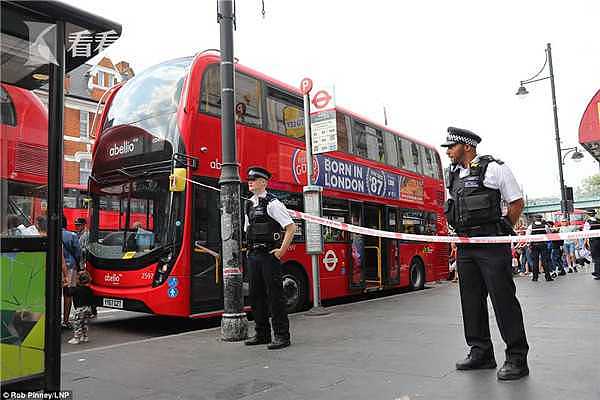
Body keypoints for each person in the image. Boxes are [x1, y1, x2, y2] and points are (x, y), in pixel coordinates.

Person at [442, 127, 529, 381]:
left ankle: (516, 357)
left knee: (503, 300)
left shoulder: (495, 169)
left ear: (467, 147)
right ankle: (481, 352)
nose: (448, 151)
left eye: (451, 146)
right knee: (470, 301)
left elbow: (516, 202)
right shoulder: (453, 174)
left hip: (492, 244)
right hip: (466, 246)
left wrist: (504, 229)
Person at [243, 166, 297, 350]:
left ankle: (282, 336)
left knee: (275, 296)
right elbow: (247, 230)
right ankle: (262, 333)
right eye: (249, 179)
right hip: (253, 255)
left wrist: (281, 251)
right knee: (256, 295)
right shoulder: (249, 204)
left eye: (254, 179)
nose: (250, 181)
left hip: (268, 255)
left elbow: (291, 227)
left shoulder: (273, 204)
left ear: (264, 182)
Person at [62, 215, 81, 329]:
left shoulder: (50, 234)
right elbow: (78, 252)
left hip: (54, 267)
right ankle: (65, 320)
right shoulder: (72, 235)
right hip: (70, 268)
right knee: (68, 294)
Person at [68, 270, 94, 344]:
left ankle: (76, 338)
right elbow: (92, 301)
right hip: (88, 309)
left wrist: (67, 285)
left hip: (79, 309)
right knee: (85, 323)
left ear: (78, 281)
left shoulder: (76, 290)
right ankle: (85, 336)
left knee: (77, 323)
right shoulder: (89, 290)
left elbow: (68, 293)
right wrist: (93, 310)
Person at [526, 215, 553, 282]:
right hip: (543, 245)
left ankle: (535, 277)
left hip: (534, 245)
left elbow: (527, 236)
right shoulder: (545, 226)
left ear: (535, 219)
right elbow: (549, 235)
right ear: (541, 219)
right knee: (545, 261)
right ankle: (548, 277)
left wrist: (529, 244)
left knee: (535, 261)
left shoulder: (531, 226)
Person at [583, 210, 600, 280]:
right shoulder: (599, 220)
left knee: (596, 257)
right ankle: (597, 271)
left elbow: (585, 232)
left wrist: (585, 242)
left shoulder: (588, 222)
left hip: (593, 241)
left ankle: (598, 273)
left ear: (588, 215)